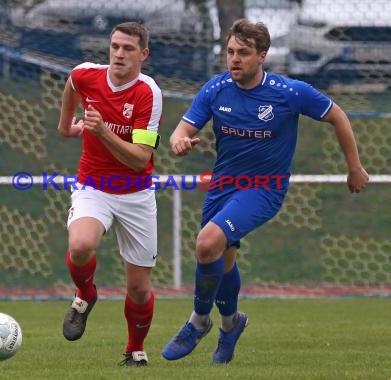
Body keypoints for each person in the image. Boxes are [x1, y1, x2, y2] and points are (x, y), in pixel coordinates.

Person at [161, 19, 369, 364]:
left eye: (243, 52)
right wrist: (178, 140)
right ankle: (231, 325)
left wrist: (355, 168)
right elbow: (182, 128)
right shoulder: (215, 89)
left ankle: (198, 322)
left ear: (262, 56)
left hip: (264, 189)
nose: (234, 59)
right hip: (223, 188)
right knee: (221, 257)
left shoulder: (289, 92)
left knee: (206, 243)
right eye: (230, 52)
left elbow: (339, 117)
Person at [57, 22, 162, 367]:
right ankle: (86, 294)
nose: (119, 53)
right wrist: (65, 124)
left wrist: (101, 130)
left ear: (143, 54)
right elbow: (72, 82)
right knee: (81, 245)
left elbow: (139, 159)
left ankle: (134, 350)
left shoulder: (148, 93)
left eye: (128, 48)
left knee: (139, 288)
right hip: (94, 185)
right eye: (115, 46)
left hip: (136, 192)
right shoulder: (88, 75)